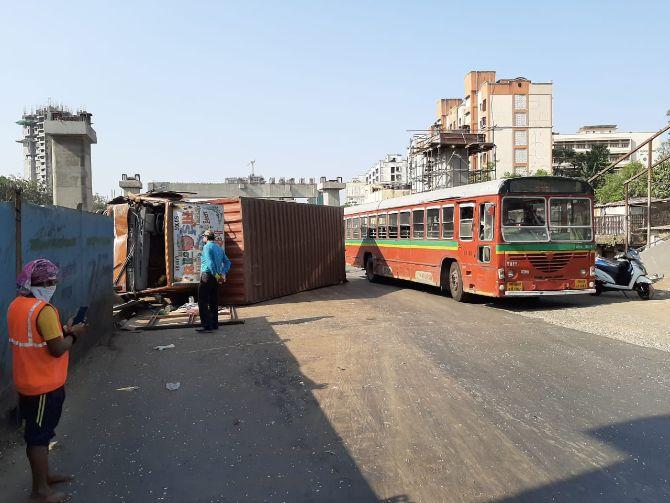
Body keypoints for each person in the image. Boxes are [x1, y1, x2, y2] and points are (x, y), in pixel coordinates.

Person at [7, 259, 86, 503]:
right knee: (39, 437)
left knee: (40, 432)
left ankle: (45, 477)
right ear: (38, 284)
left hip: (26, 381)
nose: (53, 285)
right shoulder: (44, 310)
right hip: (44, 386)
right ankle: (40, 491)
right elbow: (57, 348)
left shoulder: (17, 305)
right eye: (49, 282)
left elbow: (38, 336)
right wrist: (74, 334)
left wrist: (63, 329)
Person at [197, 230, 232, 333]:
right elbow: (228, 262)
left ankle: (207, 326)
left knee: (202, 300)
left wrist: (216, 274)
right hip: (215, 278)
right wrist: (222, 273)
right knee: (213, 301)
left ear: (206, 237)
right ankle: (214, 324)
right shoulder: (219, 248)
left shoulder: (207, 247)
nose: (203, 238)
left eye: (203, 236)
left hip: (207, 276)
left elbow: (210, 263)